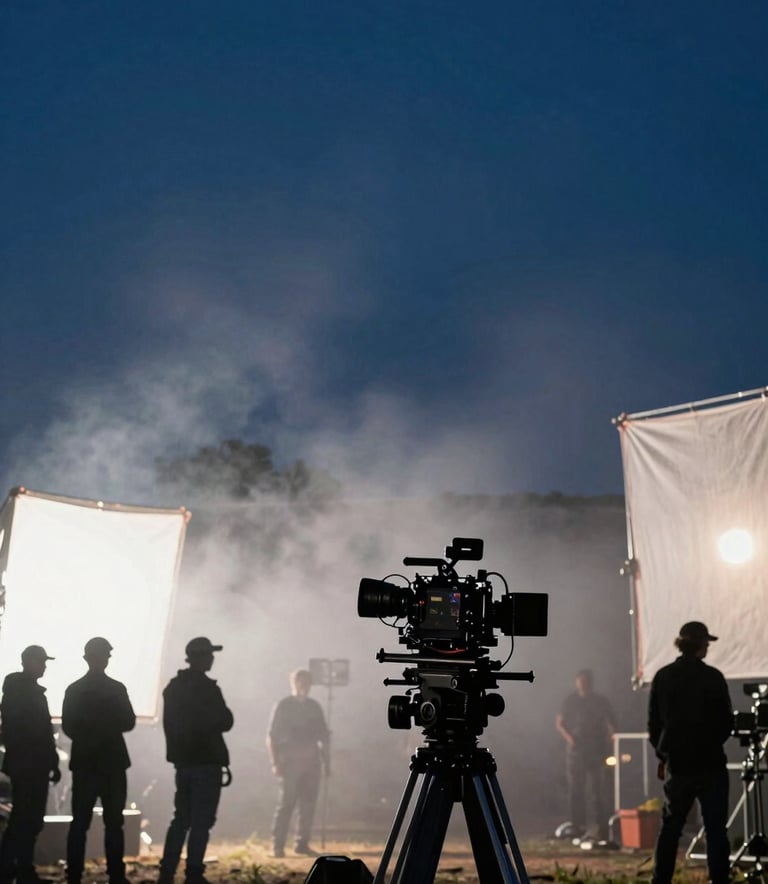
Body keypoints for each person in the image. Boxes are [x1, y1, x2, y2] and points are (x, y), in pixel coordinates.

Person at [648, 621, 732, 884]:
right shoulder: (713, 677)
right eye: (706, 642)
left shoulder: (663, 677)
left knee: (671, 828)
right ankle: (719, 879)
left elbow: (654, 724)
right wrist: (711, 743)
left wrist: (665, 755)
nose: (708, 646)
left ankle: (661, 880)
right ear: (699, 644)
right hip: (711, 764)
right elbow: (726, 722)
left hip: (679, 765)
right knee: (715, 829)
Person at [158, 637, 234, 884]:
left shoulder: (174, 688)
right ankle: (193, 873)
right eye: (209, 655)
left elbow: (171, 726)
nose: (212, 659)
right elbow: (226, 721)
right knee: (202, 821)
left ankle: (167, 872)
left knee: (181, 818)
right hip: (206, 764)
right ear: (200, 657)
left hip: (184, 764)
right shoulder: (208, 689)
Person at [61, 637, 136, 884]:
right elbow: (128, 722)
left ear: (86, 658)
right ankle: (116, 874)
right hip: (112, 763)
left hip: (86, 764)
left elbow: (70, 727)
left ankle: (74, 875)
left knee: (80, 822)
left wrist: (90, 732)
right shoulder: (116, 689)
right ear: (105, 658)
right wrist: (107, 726)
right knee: (114, 823)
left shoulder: (74, 690)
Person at [0, 645, 61, 884]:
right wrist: (51, 760)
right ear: (29, 662)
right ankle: (12, 869)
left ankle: (17, 869)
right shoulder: (26, 693)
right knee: (26, 819)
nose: (44, 666)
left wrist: (50, 760)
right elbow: (40, 731)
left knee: (27, 819)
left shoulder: (18, 691)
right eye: (41, 661)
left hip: (28, 764)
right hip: (30, 765)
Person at [266, 668, 330, 858]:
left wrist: (327, 762)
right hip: (290, 761)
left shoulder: (314, 707)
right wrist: (275, 762)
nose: (304, 686)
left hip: (311, 761)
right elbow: (271, 736)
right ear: (293, 683)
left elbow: (323, 736)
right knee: (286, 803)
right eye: (300, 682)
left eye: (306, 683)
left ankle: (302, 843)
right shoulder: (284, 706)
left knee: (308, 804)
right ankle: (277, 845)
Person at [555, 668, 616, 840]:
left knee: (598, 790)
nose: (583, 684)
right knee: (576, 789)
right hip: (577, 751)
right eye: (581, 681)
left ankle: (601, 825)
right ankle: (577, 824)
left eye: (586, 681)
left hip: (597, 750)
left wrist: (613, 739)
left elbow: (610, 722)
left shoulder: (600, 701)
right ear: (577, 682)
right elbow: (560, 722)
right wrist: (570, 739)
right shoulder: (570, 701)